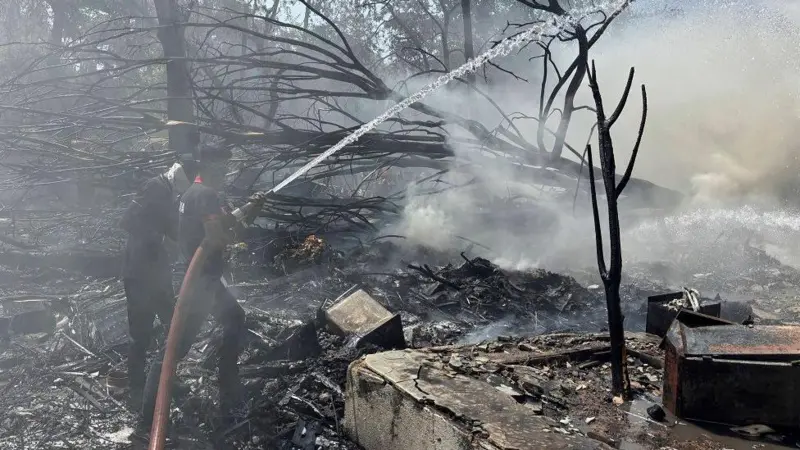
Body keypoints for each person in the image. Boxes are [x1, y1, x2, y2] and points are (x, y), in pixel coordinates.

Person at [140, 149, 265, 425]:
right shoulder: (207, 194)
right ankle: (147, 420)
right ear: (211, 169)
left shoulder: (191, 195)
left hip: (200, 281)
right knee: (175, 349)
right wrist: (232, 235)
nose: (226, 173)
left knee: (234, 317)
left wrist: (250, 211)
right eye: (223, 168)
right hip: (200, 286)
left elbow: (220, 225)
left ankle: (228, 383)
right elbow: (217, 237)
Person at [119, 162, 191, 411]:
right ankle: (138, 388)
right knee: (141, 334)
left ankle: (166, 380)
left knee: (173, 325)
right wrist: (153, 239)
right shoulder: (155, 188)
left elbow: (173, 229)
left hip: (156, 275)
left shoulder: (168, 193)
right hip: (140, 275)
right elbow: (128, 221)